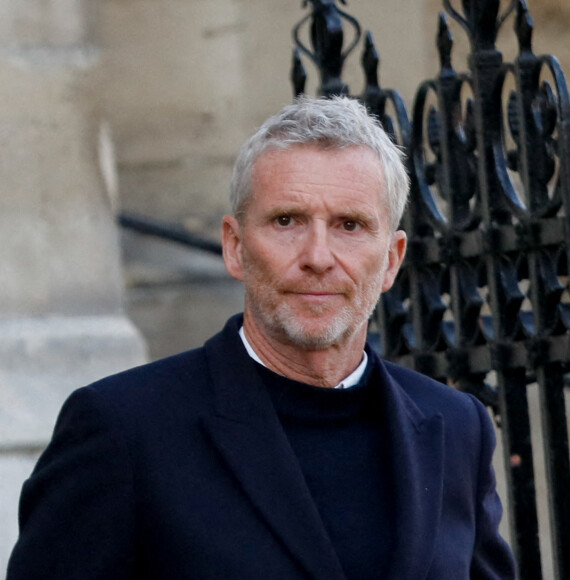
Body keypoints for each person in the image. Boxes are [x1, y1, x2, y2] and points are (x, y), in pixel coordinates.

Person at [7, 96, 515, 579]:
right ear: (235, 246)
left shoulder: (455, 427)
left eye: (350, 225)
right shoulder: (122, 430)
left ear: (391, 259)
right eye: (287, 220)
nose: (318, 255)